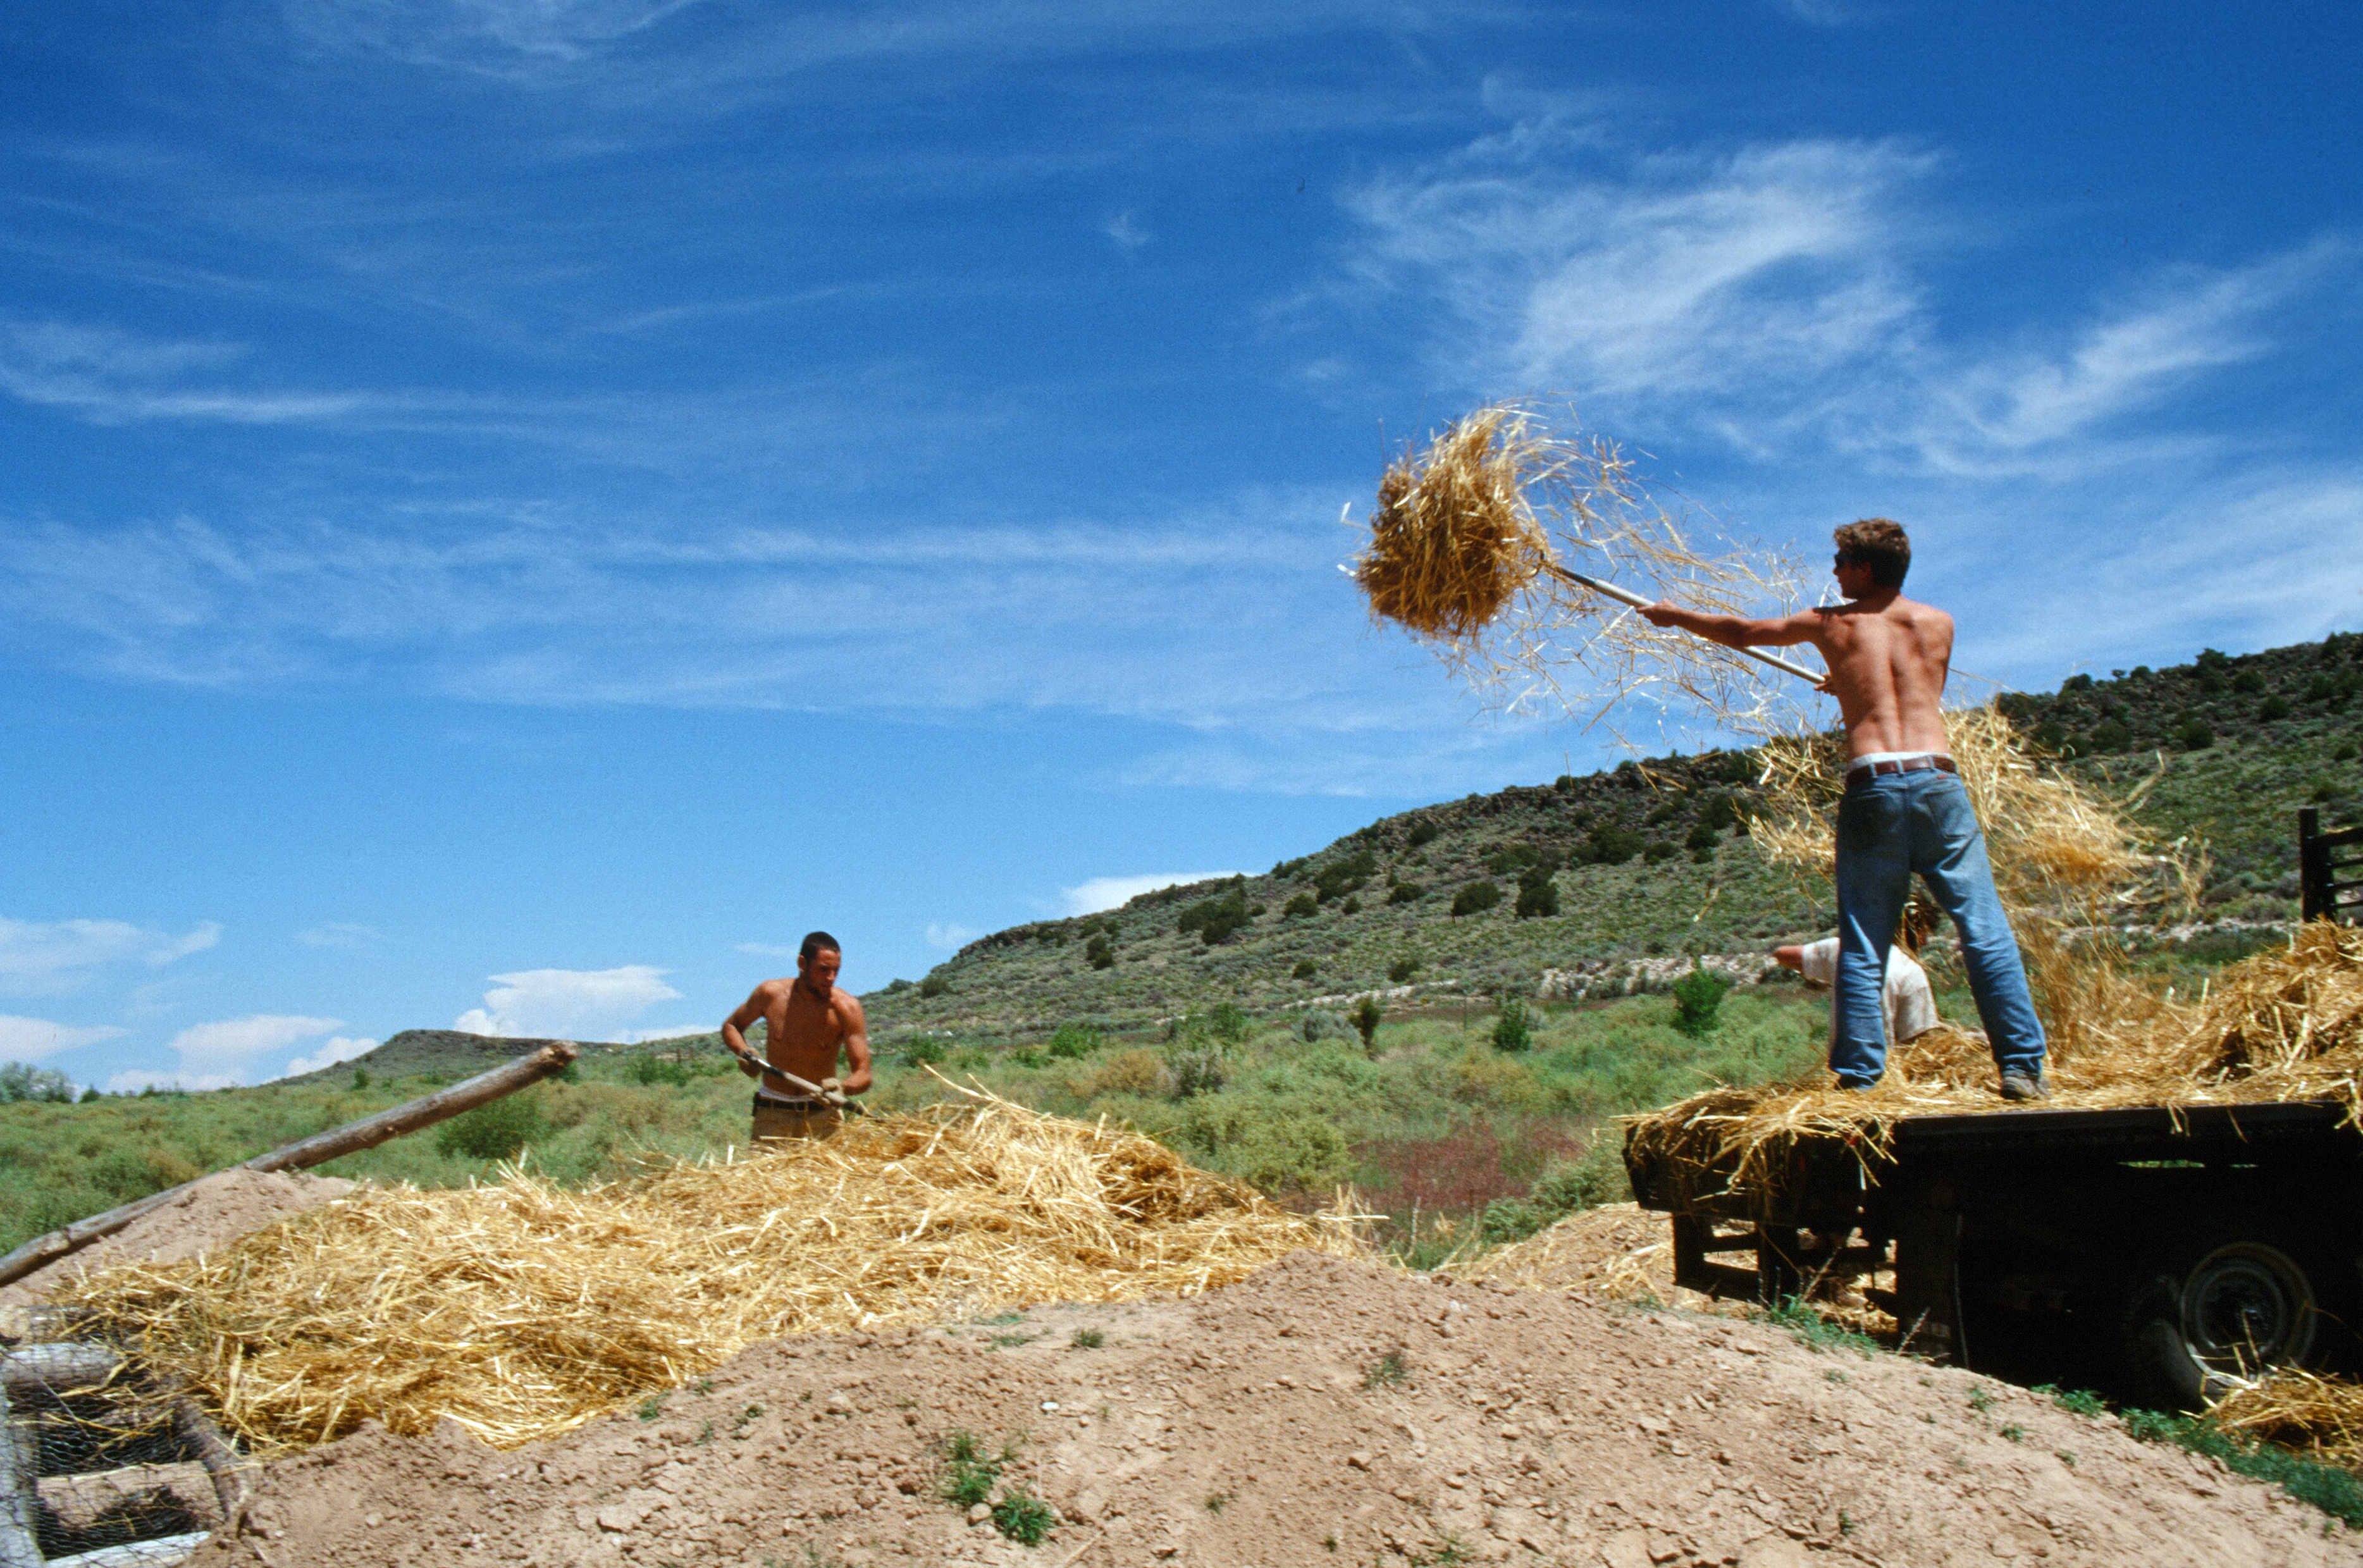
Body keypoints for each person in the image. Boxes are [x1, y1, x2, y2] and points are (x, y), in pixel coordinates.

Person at [1640, 517, 2049, 1098]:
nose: (1833, 571)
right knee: (1985, 930)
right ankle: (2022, 1067)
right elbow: (1910, 687)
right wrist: (1850, 681)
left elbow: (1746, 631)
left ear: (1864, 567)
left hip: (1875, 786)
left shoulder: (1831, 622)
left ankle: (1859, 1078)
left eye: (1841, 561)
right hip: (1937, 781)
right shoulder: (1939, 623)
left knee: (1863, 939)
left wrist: (1675, 616)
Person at [721, 931, 873, 1142]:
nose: (831, 978)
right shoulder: (770, 994)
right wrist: (745, 1052)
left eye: (836, 970)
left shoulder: (847, 1009)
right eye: (823, 969)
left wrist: (843, 1087)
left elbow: (864, 1074)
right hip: (773, 1114)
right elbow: (731, 1026)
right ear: (802, 963)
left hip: (823, 1119)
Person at [1774, 898, 1940, 1053]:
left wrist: (1825, 975)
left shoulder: (1844, 949)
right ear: (1914, 929)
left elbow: (1782, 954)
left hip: (1842, 1068)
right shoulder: (1912, 972)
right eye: (1925, 933)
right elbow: (1916, 1042)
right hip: (1885, 1070)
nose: (1925, 941)